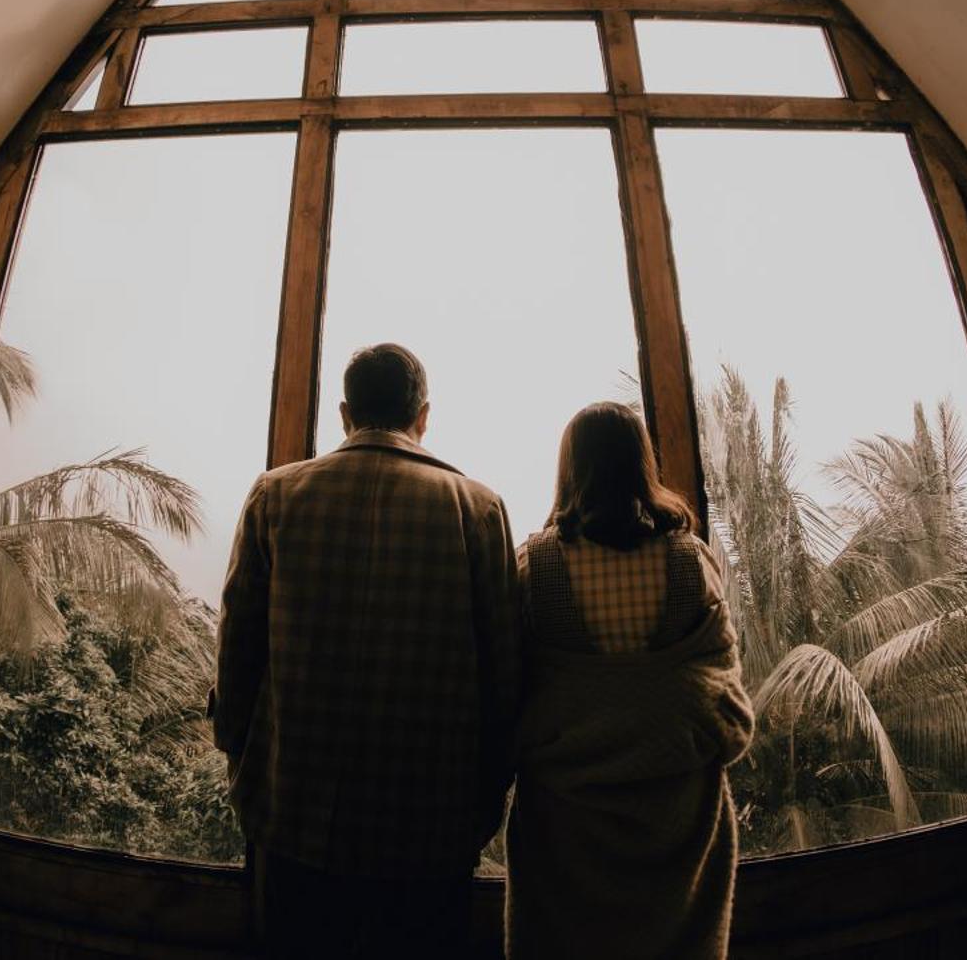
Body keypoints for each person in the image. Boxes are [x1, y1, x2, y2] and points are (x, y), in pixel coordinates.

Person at [213, 343, 521, 959]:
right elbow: (503, 675)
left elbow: (238, 649)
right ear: (424, 416)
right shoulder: (478, 509)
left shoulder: (275, 496)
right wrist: (485, 797)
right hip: (431, 828)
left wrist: (241, 756)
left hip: (293, 812)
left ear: (345, 414)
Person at [505, 401, 755, 959]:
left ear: (569, 469)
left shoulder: (533, 568)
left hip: (564, 826)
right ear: (644, 464)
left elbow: (506, 689)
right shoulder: (692, 560)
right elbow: (722, 684)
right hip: (681, 821)